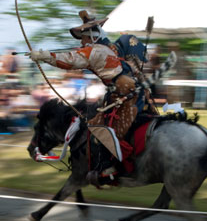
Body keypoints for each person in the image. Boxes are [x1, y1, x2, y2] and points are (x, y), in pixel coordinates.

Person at [30, 10, 151, 183]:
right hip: (128, 93)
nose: (82, 42)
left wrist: (45, 56)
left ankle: (115, 168)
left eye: (84, 39)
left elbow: (72, 60)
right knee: (98, 123)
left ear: (93, 38)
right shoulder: (110, 48)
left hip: (126, 95)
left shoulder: (96, 51)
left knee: (103, 128)